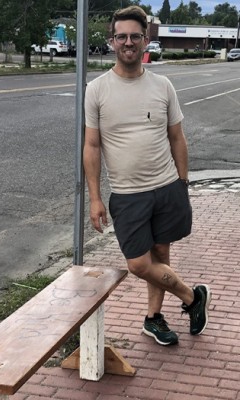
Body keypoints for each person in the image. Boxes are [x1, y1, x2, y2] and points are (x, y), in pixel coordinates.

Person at [83, 5, 210, 346]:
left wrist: (183, 183)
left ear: (145, 41)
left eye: (135, 36)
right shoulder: (96, 89)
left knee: (161, 255)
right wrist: (95, 198)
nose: (128, 42)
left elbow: (176, 137)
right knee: (139, 263)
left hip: (167, 186)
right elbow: (92, 146)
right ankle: (192, 297)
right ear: (112, 41)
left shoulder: (163, 85)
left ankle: (153, 319)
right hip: (127, 194)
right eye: (121, 36)